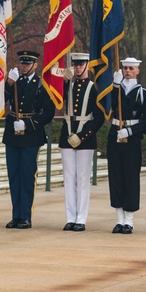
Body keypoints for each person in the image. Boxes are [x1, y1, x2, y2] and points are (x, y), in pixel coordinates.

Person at [3, 50, 55, 229]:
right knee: (13, 176)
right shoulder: (13, 81)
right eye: (21, 63)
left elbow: (48, 112)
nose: (23, 66)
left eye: (27, 64)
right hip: (12, 133)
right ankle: (15, 215)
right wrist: (8, 83)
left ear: (35, 65)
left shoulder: (41, 84)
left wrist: (28, 124)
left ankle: (25, 216)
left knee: (26, 176)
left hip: (30, 134)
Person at [107, 57, 146, 234]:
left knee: (130, 178)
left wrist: (130, 131)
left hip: (131, 139)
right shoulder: (116, 88)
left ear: (137, 71)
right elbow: (109, 107)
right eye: (125, 68)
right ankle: (119, 219)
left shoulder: (143, 93)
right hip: (115, 136)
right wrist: (114, 86)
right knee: (116, 177)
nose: (127, 71)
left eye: (131, 68)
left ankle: (129, 220)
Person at [58, 53, 105, 231]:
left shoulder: (94, 88)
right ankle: (70, 217)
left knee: (82, 178)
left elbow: (99, 117)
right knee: (69, 178)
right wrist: (62, 81)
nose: (77, 68)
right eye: (75, 65)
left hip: (85, 137)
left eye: (81, 64)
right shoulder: (68, 84)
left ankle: (81, 218)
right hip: (67, 134)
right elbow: (55, 98)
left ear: (87, 66)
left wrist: (83, 135)